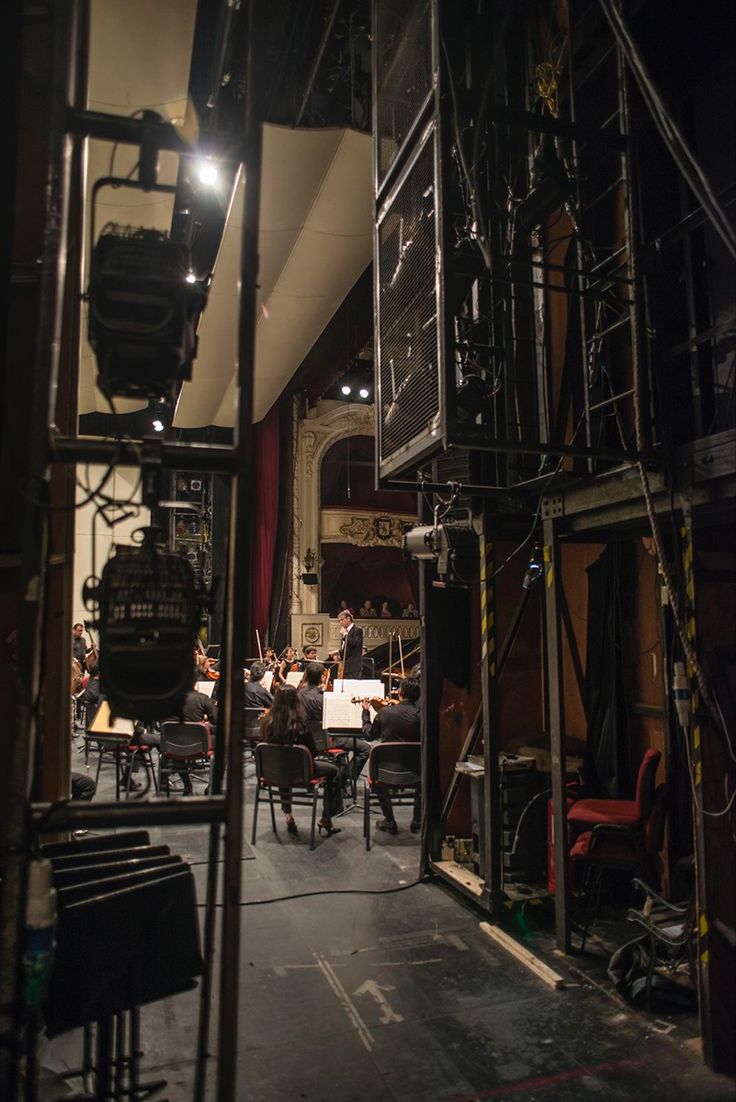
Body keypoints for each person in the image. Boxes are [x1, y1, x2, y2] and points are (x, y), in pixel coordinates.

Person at [260, 684, 343, 836]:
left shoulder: (267, 723)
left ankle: (288, 814)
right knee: (335, 771)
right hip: (302, 772)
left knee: (282, 763)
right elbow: (313, 753)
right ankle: (327, 817)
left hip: (274, 772)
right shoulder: (300, 724)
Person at [361, 676, 421, 835]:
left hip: (385, 774)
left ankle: (389, 820)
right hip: (415, 774)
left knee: (377, 775)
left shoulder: (385, 712)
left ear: (399, 692)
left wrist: (365, 714)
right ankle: (417, 821)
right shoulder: (422, 715)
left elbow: (369, 736)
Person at [338, 610, 363, 679]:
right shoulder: (345, 632)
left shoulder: (357, 630)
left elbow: (355, 643)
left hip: (353, 667)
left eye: (342, 620)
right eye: (339, 621)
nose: (340, 622)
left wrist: (345, 635)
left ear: (348, 618)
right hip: (345, 666)